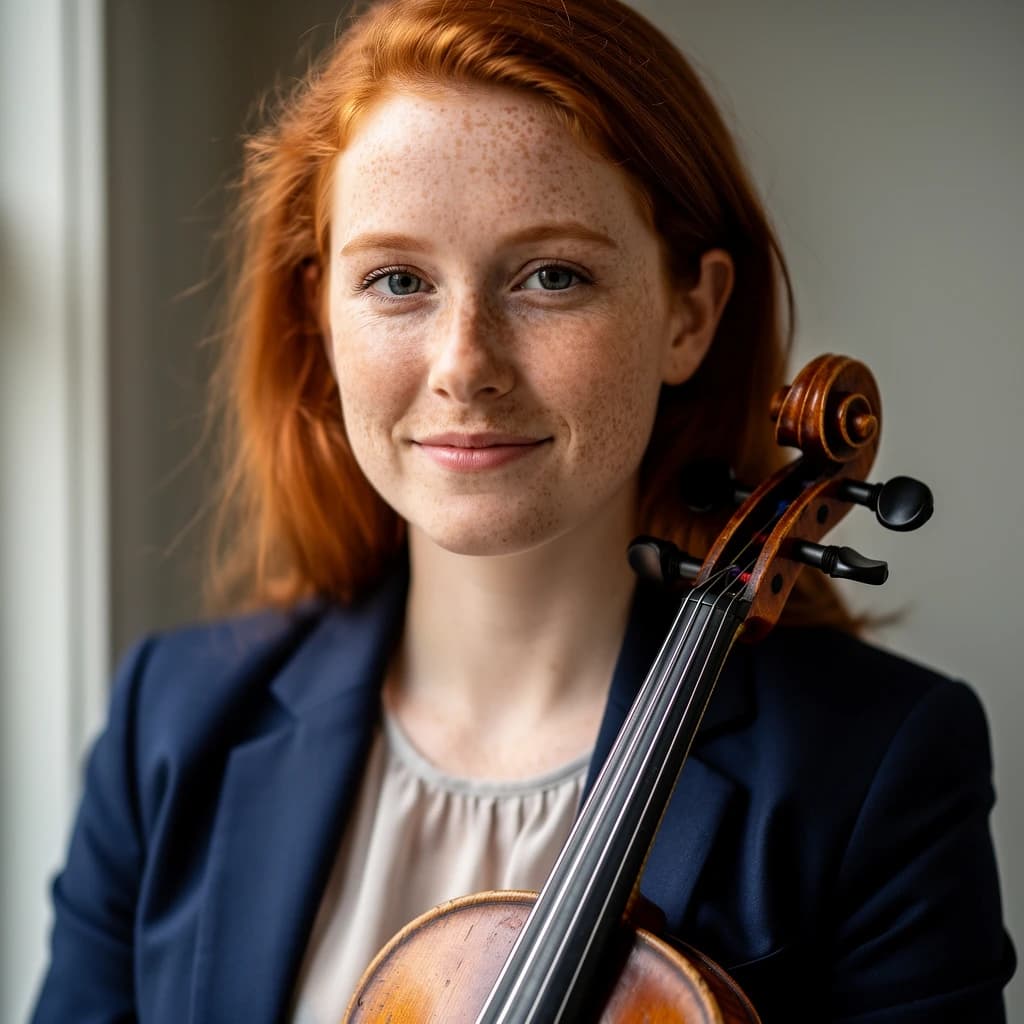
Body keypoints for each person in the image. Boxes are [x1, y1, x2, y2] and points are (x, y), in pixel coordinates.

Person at [31, 0, 1014, 1021]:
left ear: (691, 312)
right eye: (398, 279)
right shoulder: (175, 719)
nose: (465, 365)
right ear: (320, 314)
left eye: (553, 275)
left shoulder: (874, 767)